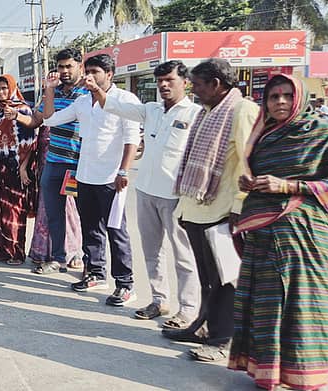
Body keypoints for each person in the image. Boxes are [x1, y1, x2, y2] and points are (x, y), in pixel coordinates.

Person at [230, 74, 328, 390]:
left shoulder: (323, 133)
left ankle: (306, 374)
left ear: (300, 98)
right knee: (266, 304)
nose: (280, 102)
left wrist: (290, 186)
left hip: (305, 235)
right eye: (273, 97)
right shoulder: (264, 135)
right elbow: (260, 175)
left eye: (287, 96)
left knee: (302, 302)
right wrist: (248, 183)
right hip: (265, 233)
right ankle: (268, 373)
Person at [161, 58, 260, 362]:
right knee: (207, 279)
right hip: (196, 210)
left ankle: (221, 339)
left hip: (221, 212)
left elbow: (249, 163)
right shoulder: (208, 110)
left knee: (223, 280)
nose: (194, 90)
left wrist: (239, 207)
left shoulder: (242, 110)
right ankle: (202, 326)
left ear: (216, 84)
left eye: (198, 85)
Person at [91, 60, 202, 327]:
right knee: (152, 252)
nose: (164, 85)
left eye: (170, 80)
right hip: (146, 191)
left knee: (183, 255)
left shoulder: (195, 114)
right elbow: (116, 106)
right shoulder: (150, 110)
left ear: (184, 83)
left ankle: (187, 309)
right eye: (160, 80)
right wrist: (96, 89)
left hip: (176, 196)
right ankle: (159, 300)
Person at [43, 54, 141, 306]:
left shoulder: (124, 100)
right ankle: (96, 273)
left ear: (109, 74)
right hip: (85, 176)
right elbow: (50, 120)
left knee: (116, 231)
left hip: (111, 178)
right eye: (88, 71)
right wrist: (49, 91)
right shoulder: (83, 102)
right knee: (91, 229)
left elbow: (132, 139)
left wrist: (123, 171)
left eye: (95, 72)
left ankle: (125, 283)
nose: (89, 76)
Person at [30, 48, 87, 274]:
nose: (64, 71)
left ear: (80, 67)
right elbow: (46, 118)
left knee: (85, 214)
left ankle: (88, 260)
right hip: (54, 161)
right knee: (55, 214)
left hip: (78, 163)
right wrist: (49, 90)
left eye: (69, 66)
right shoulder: (55, 92)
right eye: (60, 67)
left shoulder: (86, 93)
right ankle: (58, 258)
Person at [0, 74, 36, 265]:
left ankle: (16, 252)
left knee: (14, 210)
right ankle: (1, 249)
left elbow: (30, 142)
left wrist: (23, 167)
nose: (1, 92)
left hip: (15, 168)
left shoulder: (23, 109)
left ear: (12, 88)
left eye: (4, 88)